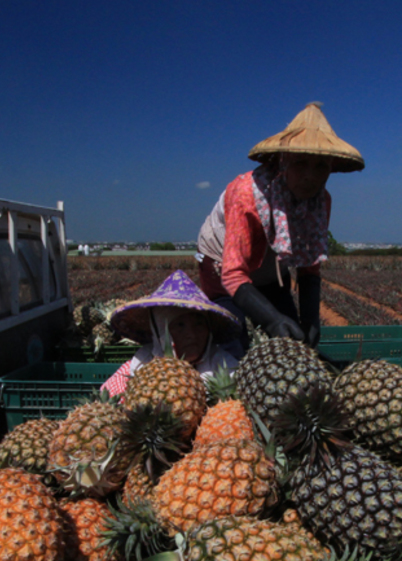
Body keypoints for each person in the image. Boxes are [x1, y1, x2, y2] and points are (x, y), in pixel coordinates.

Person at [196, 102, 364, 356]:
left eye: (321, 166)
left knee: (294, 337)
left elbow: (309, 265)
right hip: (222, 264)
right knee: (232, 336)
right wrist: (272, 320)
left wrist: (310, 319)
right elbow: (233, 275)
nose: (311, 175)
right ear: (284, 162)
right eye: (300, 164)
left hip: (273, 268)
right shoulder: (246, 194)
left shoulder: (321, 203)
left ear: (331, 167)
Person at [101, 270, 239, 397]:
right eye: (180, 325)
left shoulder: (226, 367)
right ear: (160, 332)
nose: (191, 334)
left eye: (199, 323)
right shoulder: (137, 367)